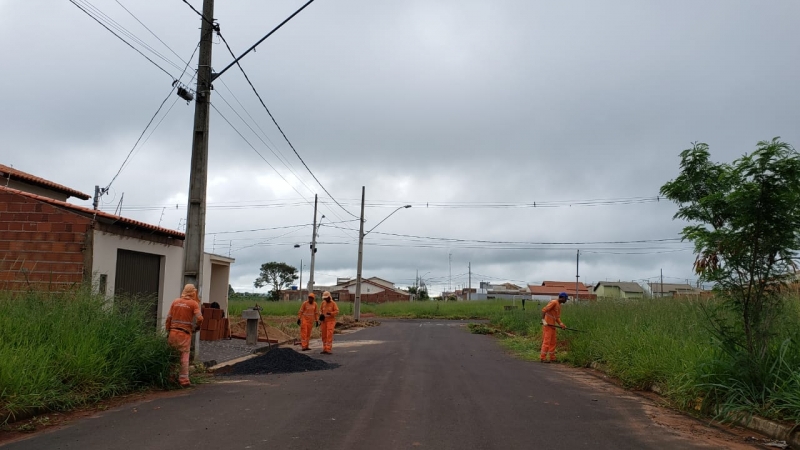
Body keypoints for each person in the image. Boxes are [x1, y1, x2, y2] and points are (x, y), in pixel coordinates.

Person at [165, 284, 203, 386]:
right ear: (192, 292)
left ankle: (170, 378)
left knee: (172, 356)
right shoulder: (193, 304)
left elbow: (168, 318)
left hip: (173, 333)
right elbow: (200, 318)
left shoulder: (175, 302)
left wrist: (167, 330)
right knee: (184, 357)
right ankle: (184, 381)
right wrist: (197, 327)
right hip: (184, 334)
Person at [540, 292, 568, 363]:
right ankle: (543, 358)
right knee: (547, 342)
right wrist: (543, 320)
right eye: (566, 299)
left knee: (553, 342)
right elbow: (544, 310)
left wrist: (561, 324)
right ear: (563, 298)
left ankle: (552, 358)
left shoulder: (559, 305)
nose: (566, 300)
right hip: (548, 325)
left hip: (552, 326)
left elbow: (557, 318)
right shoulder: (554, 302)